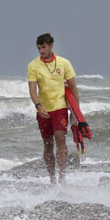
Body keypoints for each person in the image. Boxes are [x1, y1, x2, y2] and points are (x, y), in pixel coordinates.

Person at [27, 33, 79, 184]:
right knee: (48, 144)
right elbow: (32, 90)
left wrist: (76, 112)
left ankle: (62, 176)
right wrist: (38, 106)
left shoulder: (64, 63)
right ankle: (52, 178)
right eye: (39, 48)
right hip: (43, 110)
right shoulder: (33, 66)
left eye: (43, 47)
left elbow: (73, 87)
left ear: (51, 46)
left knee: (60, 138)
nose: (41, 51)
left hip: (60, 108)